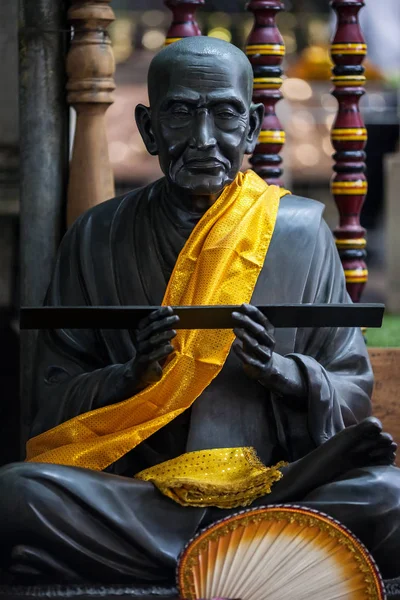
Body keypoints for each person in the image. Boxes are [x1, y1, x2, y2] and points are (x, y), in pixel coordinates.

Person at [0, 37, 399, 583]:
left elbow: (351, 387)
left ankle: (208, 555)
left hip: (275, 488)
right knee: (18, 493)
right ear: (147, 127)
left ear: (253, 127)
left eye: (225, 114)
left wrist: (285, 375)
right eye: (181, 113)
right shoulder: (97, 235)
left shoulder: (301, 230)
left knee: (388, 495)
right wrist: (129, 376)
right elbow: (51, 394)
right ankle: (245, 557)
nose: (204, 139)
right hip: (141, 496)